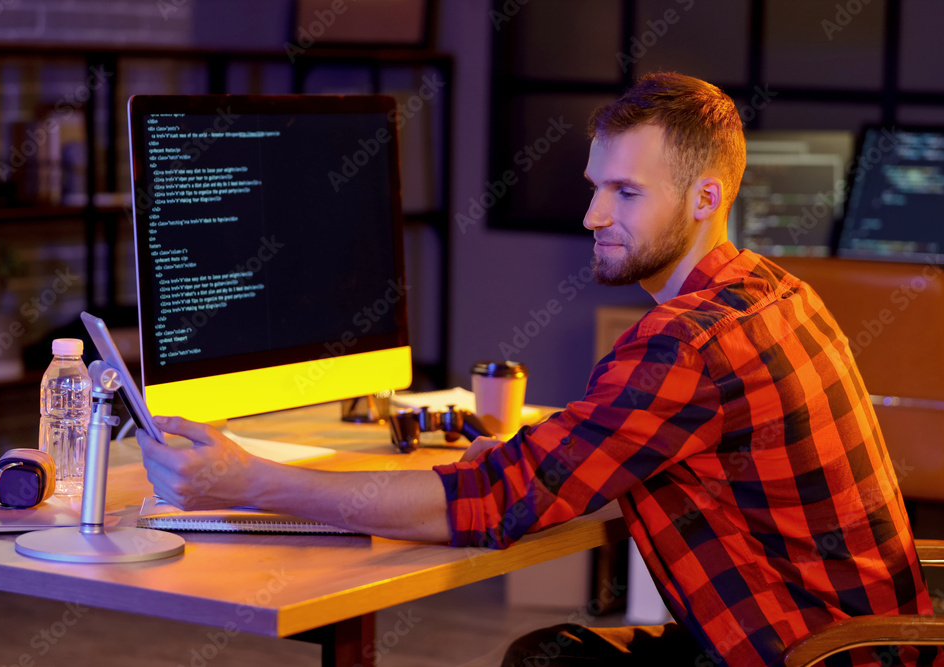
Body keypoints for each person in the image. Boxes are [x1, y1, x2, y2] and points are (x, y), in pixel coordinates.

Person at [138, 72, 939, 666]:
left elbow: (494, 505)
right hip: (864, 641)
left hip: (818, 655)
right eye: (595, 188)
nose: (593, 216)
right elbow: (610, 446)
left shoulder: (686, 344)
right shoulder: (770, 290)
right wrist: (527, 457)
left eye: (626, 193)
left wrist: (246, 482)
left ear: (704, 198)